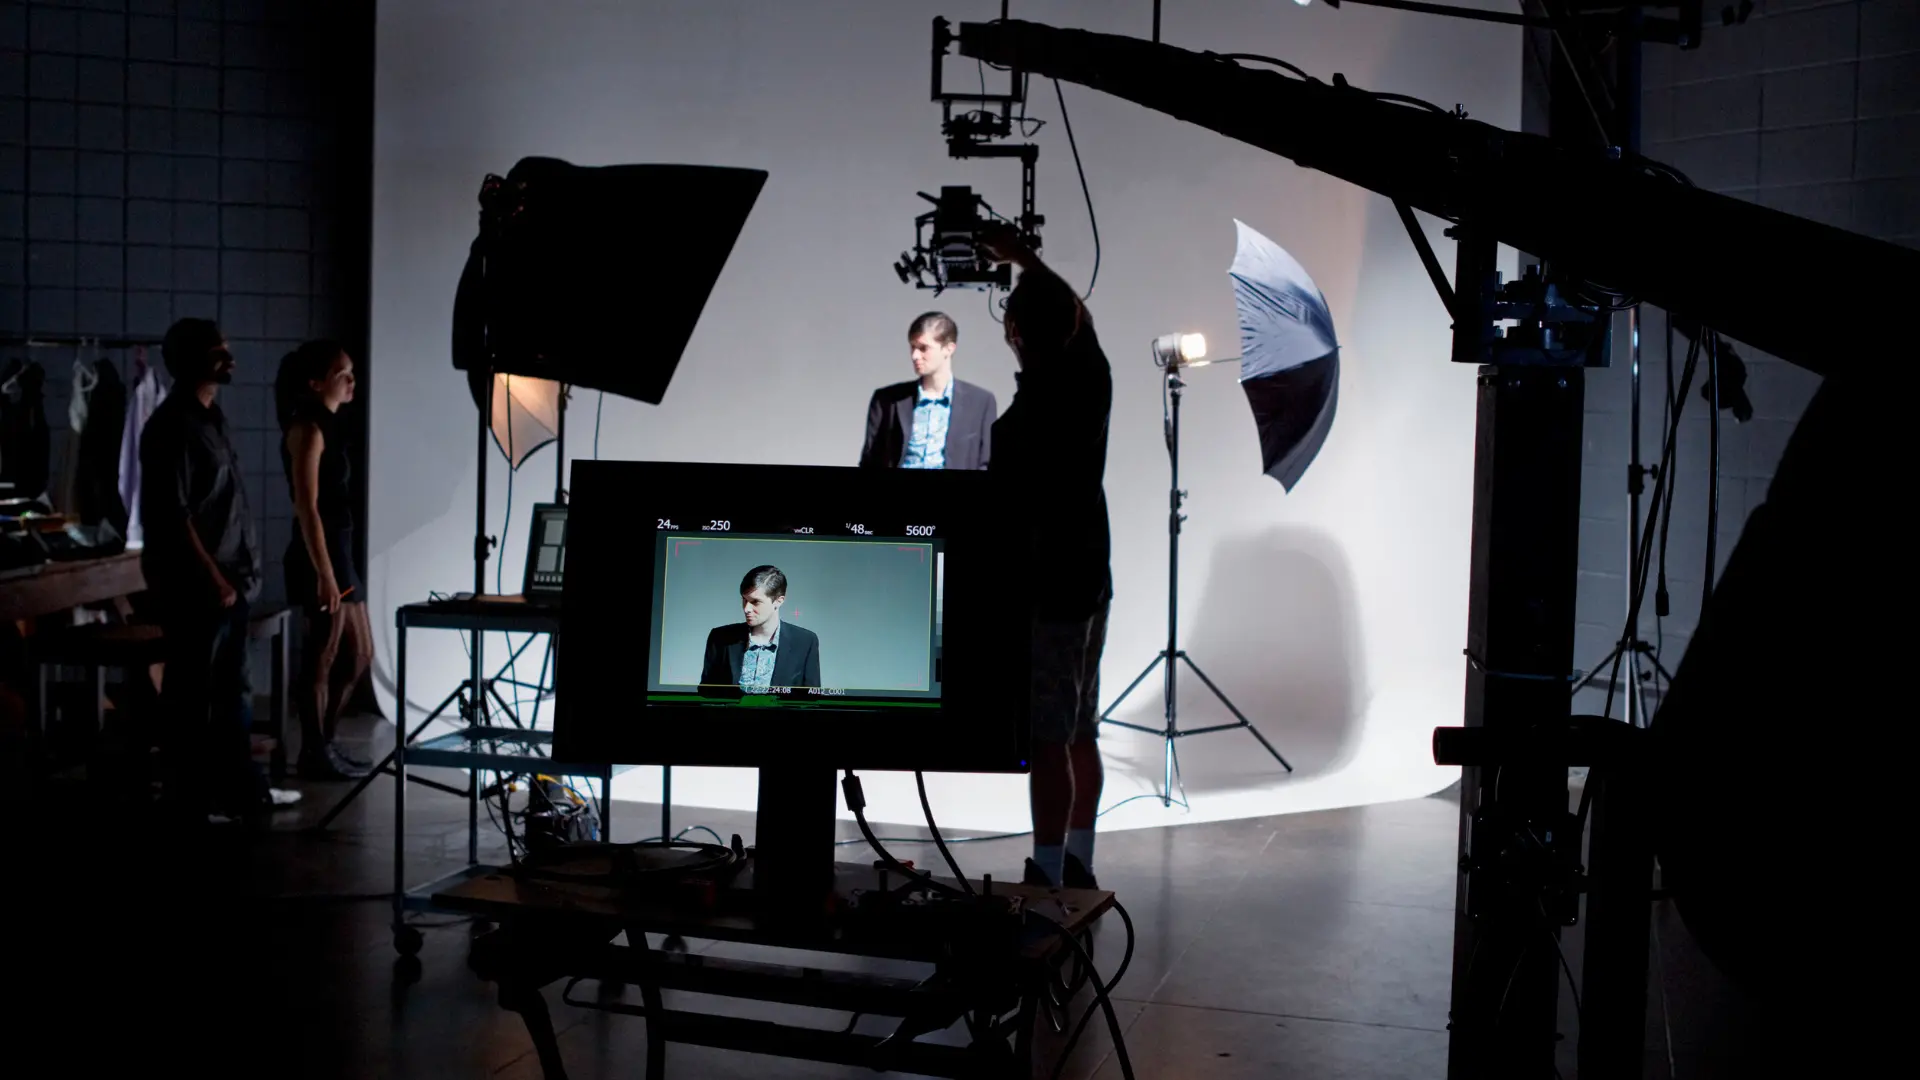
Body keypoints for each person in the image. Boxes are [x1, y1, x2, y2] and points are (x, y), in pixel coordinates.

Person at [977, 225, 1112, 891]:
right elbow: (1078, 318)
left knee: (1050, 735)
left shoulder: (1027, 419)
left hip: (1050, 589)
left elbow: (1001, 510)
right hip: (1091, 578)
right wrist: (1024, 258)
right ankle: (1078, 860)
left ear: (1014, 334)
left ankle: (1049, 873)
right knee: (1081, 726)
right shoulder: (1092, 378)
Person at [140, 318, 300, 824]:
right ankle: (187, 799)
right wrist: (213, 579)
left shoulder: (213, 419)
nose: (229, 358)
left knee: (231, 694)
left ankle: (234, 793)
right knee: (193, 695)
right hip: (199, 587)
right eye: (217, 351)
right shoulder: (170, 427)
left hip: (231, 581)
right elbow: (174, 516)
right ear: (190, 360)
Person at [276, 340, 375, 780]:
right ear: (316, 383)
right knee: (325, 651)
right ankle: (314, 750)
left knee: (360, 654)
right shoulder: (307, 430)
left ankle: (325, 742)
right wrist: (324, 573)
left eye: (351, 371)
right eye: (342, 374)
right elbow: (307, 507)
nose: (352, 380)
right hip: (319, 554)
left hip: (342, 550)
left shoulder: (332, 425)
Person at [859, 312, 997, 470]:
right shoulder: (887, 400)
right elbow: (869, 460)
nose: (915, 355)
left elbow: (986, 462)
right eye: (913, 347)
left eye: (923, 348)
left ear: (949, 349)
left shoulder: (980, 402)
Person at [698, 565, 822, 694]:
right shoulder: (720, 638)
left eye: (755, 602)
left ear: (778, 601)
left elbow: (811, 698)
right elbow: (706, 694)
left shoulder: (805, 642)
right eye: (744, 600)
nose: (746, 609)